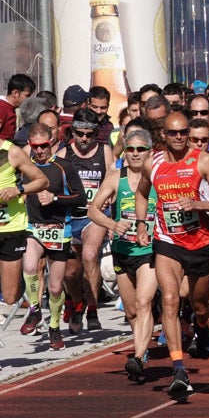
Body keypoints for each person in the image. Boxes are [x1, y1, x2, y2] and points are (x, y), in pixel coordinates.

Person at [134, 111, 209, 398]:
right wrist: (143, 224)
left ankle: (202, 328)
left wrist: (198, 205)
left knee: (200, 306)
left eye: (183, 133)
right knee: (169, 298)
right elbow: (142, 193)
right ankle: (178, 367)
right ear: (163, 135)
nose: (179, 138)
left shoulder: (202, 160)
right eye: (173, 133)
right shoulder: (152, 163)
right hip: (167, 242)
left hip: (200, 243)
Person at [87, 127, 158, 382]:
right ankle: (141, 348)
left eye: (141, 149)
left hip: (150, 251)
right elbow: (92, 210)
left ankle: (138, 356)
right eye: (131, 149)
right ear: (124, 152)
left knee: (143, 303)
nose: (136, 154)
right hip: (122, 250)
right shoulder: (115, 177)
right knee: (131, 312)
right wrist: (112, 224)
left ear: (150, 152)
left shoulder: (158, 178)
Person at [21, 123, 86, 350]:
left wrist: (56, 198)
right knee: (29, 267)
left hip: (59, 228)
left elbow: (81, 198)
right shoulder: (24, 165)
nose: (39, 151)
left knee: (56, 287)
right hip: (34, 227)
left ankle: (55, 327)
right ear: (29, 145)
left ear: (52, 142)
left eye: (44, 146)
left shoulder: (63, 166)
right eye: (35, 146)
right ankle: (34, 311)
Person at [56, 108, 115, 332]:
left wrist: (110, 198)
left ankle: (92, 308)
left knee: (90, 255)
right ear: (73, 132)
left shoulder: (104, 151)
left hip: (96, 215)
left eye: (89, 135)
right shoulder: (63, 154)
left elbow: (114, 181)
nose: (84, 139)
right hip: (71, 217)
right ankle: (74, 301)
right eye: (80, 134)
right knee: (71, 271)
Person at [0, 137, 47, 327]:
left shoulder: (12, 152)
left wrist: (18, 189)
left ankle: (33, 298)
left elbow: (42, 181)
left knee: (10, 296)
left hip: (11, 228)